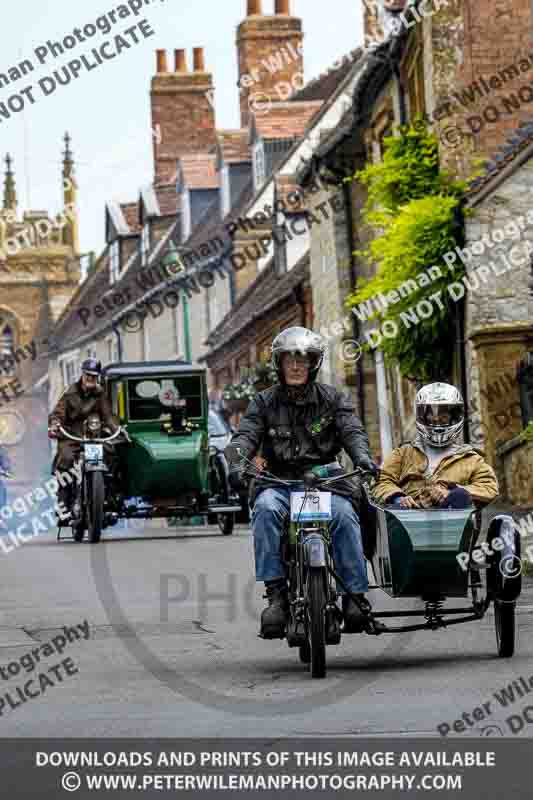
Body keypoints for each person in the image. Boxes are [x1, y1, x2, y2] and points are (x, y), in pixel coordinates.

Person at [226, 326, 379, 639]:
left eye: (303, 360)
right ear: (279, 364)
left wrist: (362, 457)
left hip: (325, 482)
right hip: (278, 482)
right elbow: (246, 435)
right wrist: (236, 461)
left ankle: (354, 595)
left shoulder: (333, 399)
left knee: (344, 516)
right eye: (289, 360)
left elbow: (352, 431)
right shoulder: (263, 402)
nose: (296, 366)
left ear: (313, 364)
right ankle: (277, 596)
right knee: (266, 511)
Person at [373, 382, 498, 509]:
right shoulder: (403, 453)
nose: (437, 419)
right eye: (431, 415)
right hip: (408, 521)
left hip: (455, 524)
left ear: (454, 417)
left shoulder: (471, 458)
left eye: (443, 415)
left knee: (460, 496)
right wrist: (397, 498)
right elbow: (381, 480)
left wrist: (452, 491)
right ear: (423, 416)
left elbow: (489, 486)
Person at [48, 358, 117, 515]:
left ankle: (109, 497)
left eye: (93, 376)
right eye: (88, 375)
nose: (90, 379)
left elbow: (108, 416)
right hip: (72, 436)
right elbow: (58, 413)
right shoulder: (70, 393)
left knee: (111, 454)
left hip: (94, 437)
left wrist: (117, 429)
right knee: (65, 459)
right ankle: (63, 505)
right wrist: (55, 424)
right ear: (83, 375)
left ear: (97, 377)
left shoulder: (100, 394)